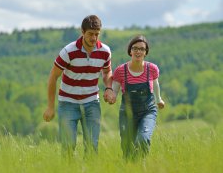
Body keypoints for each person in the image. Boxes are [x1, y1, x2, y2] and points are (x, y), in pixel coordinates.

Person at [43, 15, 114, 154]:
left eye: (97, 34)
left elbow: (107, 72)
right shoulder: (68, 52)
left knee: (92, 146)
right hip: (68, 103)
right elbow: (53, 77)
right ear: (82, 32)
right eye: (90, 34)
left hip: (92, 102)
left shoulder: (105, 52)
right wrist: (50, 107)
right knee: (68, 146)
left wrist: (109, 88)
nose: (94, 38)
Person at [106, 35, 165, 160]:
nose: (138, 51)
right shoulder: (121, 71)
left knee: (143, 139)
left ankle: (141, 165)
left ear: (146, 52)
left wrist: (159, 99)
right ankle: (130, 170)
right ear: (130, 51)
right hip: (127, 113)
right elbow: (114, 92)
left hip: (147, 111)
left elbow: (155, 85)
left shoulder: (152, 69)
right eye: (135, 48)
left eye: (142, 49)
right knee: (127, 146)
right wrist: (111, 97)